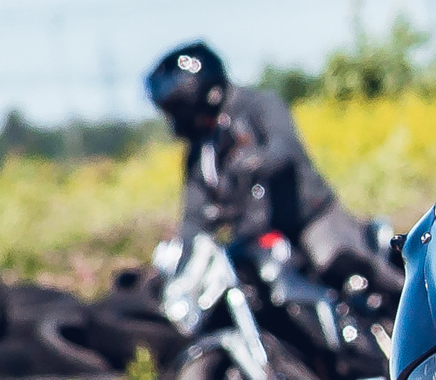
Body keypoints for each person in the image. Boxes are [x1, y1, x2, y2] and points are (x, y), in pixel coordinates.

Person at [144, 41, 370, 283]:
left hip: (309, 219)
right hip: (253, 238)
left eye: (179, 108)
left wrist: (249, 162)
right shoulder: (200, 152)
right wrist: (181, 269)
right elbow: (194, 216)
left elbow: (284, 150)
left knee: (349, 273)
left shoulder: (259, 105)